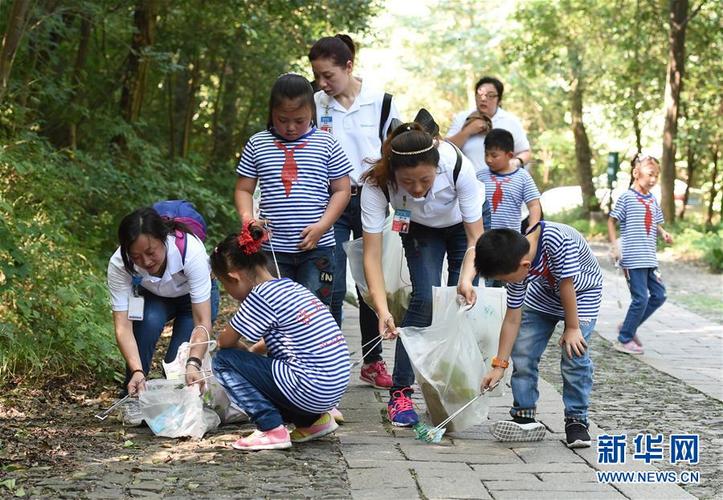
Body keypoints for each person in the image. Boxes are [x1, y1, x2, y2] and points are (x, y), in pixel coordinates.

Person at [360, 122, 484, 427]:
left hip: (462, 229)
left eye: (425, 180)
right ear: (393, 173)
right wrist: (382, 310)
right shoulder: (378, 184)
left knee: (460, 300)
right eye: (408, 182)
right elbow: (371, 255)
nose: (417, 189)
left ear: (437, 167)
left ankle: (450, 394)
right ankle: (400, 393)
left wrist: (466, 279)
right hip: (418, 229)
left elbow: (475, 240)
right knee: (425, 298)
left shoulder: (457, 166)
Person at [308, 34, 400, 389]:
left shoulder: (382, 102)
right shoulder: (315, 104)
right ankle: (326, 362)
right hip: (330, 201)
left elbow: (395, 151)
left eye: (328, 75)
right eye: (317, 75)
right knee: (328, 282)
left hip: (372, 199)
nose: (322, 83)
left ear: (349, 67)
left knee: (369, 283)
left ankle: (372, 360)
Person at [210, 224, 350, 451]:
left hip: (311, 387)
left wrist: (244, 357)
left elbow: (224, 342)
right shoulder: (288, 287)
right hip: (331, 388)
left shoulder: (260, 295)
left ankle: (271, 428)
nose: (229, 292)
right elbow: (289, 338)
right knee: (273, 365)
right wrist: (253, 356)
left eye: (225, 285)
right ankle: (313, 422)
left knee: (223, 360)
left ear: (234, 277)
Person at [477, 223, 602, 449]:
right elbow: (512, 319)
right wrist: (499, 365)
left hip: (582, 294)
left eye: (507, 279)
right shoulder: (516, 264)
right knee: (524, 351)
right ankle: (524, 415)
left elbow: (567, 284)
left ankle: (577, 420)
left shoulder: (557, 240)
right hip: (543, 294)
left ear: (525, 266)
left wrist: (572, 328)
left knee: (574, 354)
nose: (508, 284)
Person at [234, 73, 352, 306]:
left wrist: (323, 226)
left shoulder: (327, 144)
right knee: (275, 310)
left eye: (299, 120)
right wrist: (248, 220)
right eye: (282, 119)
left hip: (318, 248)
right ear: (271, 113)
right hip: (272, 250)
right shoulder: (258, 143)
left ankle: (322, 344)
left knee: (314, 310)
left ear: (312, 111)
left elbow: (342, 190)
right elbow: (243, 189)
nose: (290, 127)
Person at [106, 206, 219, 422]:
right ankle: (134, 391)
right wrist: (137, 369)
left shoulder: (190, 250)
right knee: (148, 322)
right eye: (136, 256)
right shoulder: (120, 264)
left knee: (178, 362)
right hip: (155, 296)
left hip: (193, 301)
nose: (146, 262)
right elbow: (122, 326)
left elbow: (202, 320)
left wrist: (193, 362)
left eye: (151, 252)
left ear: (163, 239)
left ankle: (175, 400)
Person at [607, 154, 673, 355]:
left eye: (656, 176)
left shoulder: (652, 199)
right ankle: (623, 338)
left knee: (659, 295)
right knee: (640, 299)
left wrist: (663, 232)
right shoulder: (626, 197)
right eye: (650, 174)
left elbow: (655, 221)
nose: (653, 179)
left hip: (649, 258)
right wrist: (615, 246)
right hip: (632, 258)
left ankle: (627, 327)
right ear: (636, 173)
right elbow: (612, 221)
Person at [447, 76, 531, 174]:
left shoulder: (510, 121)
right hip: (468, 183)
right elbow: (446, 149)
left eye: (490, 96)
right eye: (480, 94)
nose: (483, 99)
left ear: (499, 100)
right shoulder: (462, 118)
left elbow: (526, 152)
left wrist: (515, 163)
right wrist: (467, 131)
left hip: (502, 183)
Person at [477, 128, 542, 232]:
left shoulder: (522, 176)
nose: (489, 159)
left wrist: (533, 226)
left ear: (509, 155)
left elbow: (534, 204)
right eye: (486, 154)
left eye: (494, 155)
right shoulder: (480, 176)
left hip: (511, 237)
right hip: (484, 236)